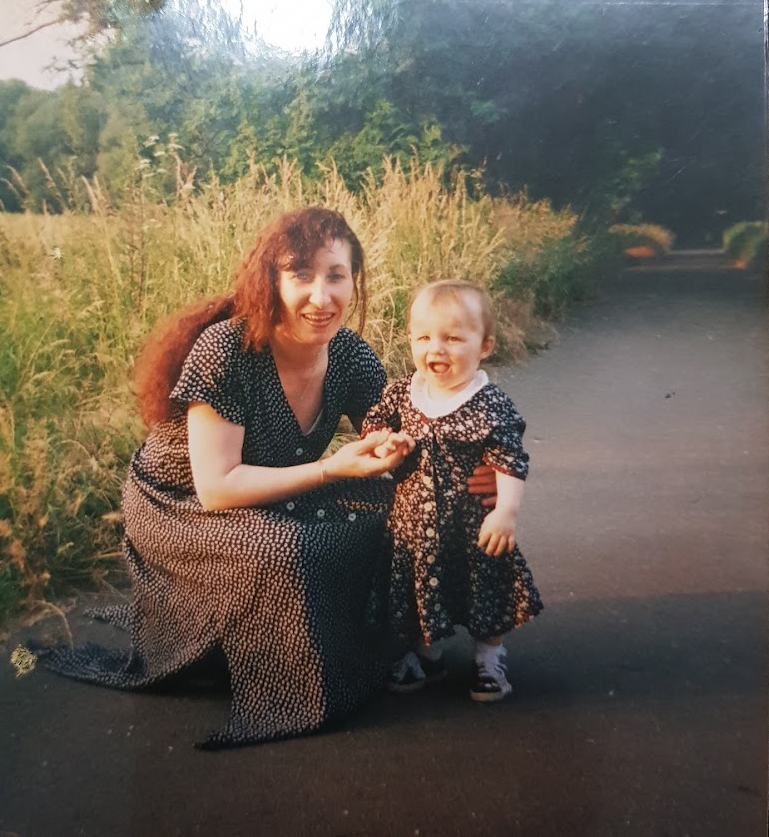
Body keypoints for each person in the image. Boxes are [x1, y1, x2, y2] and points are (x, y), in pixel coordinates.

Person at [37, 208, 495, 749]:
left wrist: (480, 469)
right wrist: (329, 468)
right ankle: (286, 679)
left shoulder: (349, 354)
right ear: (271, 281)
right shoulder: (226, 350)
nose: (321, 297)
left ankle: (376, 642)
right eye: (300, 274)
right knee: (280, 549)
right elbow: (217, 488)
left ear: (354, 280)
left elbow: (407, 436)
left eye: (335, 275)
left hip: (278, 485)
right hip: (180, 504)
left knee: (402, 507)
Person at [362, 279, 543, 702]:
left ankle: (488, 658)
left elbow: (511, 460)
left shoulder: (490, 404)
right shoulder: (404, 391)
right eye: (423, 337)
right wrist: (386, 441)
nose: (435, 349)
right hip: (414, 525)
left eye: (453, 338)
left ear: (485, 346)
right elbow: (375, 421)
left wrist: (505, 513)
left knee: (486, 593)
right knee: (423, 594)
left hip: (472, 527)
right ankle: (428, 655)